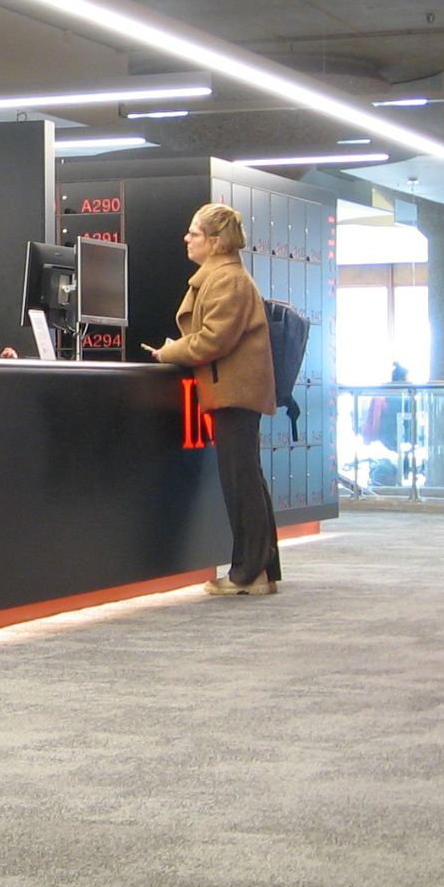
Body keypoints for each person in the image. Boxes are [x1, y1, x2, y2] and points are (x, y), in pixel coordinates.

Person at [144, 203, 280, 597]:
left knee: (240, 481)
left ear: (216, 241)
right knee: (246, 479)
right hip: (233, 388)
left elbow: (214, 339)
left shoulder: (227, 281)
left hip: (234, 390)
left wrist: (170, 351)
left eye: (195, 233)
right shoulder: (222, 277)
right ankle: (260, 570)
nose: (187, 239)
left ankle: (248, 573)